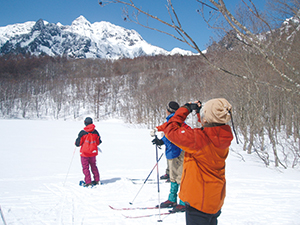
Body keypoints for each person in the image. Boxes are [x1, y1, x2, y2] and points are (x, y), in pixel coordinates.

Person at [161, 98, 234, 225]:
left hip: (198, 200)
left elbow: (171, 130)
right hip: (215, 198)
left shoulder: (198, 139)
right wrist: (200, 113)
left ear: (206, 119)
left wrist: (185, 109)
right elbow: (210, 126)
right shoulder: (223, 136)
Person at [150, 101, 190, 213]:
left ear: (168, 110)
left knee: (179, 177)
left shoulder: (174, 121)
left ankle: (182, 202)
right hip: (173, 152)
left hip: (177, 152)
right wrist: (158, 131)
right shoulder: (173, 120)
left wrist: (161, 141)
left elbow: (171, 134)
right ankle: (172, 199)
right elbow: (167, 128)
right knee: (174, 176)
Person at [75, 117, 102, 187]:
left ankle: (88, 182)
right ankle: (97, 180)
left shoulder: (83, 132)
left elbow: (78, 143)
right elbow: (99, 142)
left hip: (84, 154)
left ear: (85, 123)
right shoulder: (95, 132)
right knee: (94, 166)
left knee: (85, 168)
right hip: (93, 153)